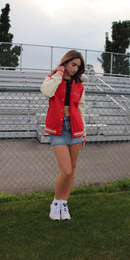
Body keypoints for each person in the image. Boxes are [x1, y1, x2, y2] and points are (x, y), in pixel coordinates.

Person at [40, 50, 86, 221]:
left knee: (72, 168)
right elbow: (47, 92)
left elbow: (81, 109)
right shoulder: (52, 79)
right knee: (65, 170)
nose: (75, 69)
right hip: (58, 129)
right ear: (65, 62)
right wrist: (59, 73)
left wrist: (83, 133)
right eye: (73, 64)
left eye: (78, 67)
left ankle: (63, 203)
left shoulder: (79, 86)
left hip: (75, 128)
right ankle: (55, 202)